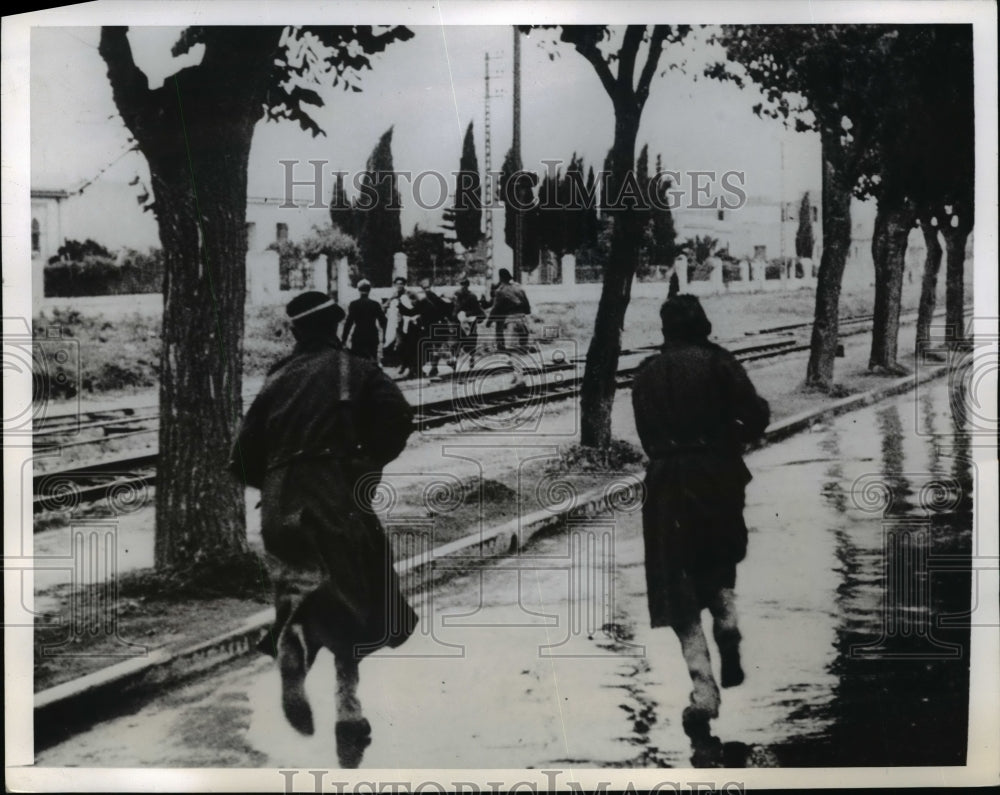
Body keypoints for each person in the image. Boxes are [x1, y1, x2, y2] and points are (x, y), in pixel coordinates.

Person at [230, 291, 418, 768]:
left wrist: (275, 483)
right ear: (337, 326)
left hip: (278, 504)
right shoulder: (354, 368)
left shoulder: (277, 377)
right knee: (360, 592)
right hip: (333, 496)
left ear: (295, 333)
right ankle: (348, 706)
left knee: (301, 587)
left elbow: (242, 456)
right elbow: (399, 417)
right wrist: (364, 463)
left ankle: (292, 641)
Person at [630, 294, 769, 746]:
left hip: (667, 481)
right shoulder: (719, 362)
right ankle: (727, 622)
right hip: (716, 474)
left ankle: (703, 690)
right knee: (718, 564)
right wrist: (728, 442)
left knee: (677, 586)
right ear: (703, 324)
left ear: (665, 330)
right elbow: (755, 415)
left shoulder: (647, 373)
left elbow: (647, 434)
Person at [342, 279, 387, 362]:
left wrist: (344, 339)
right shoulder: (375, 304)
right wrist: (384, 337)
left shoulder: (354, 304)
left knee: (357, 361)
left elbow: (349, 322)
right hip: (372, 334)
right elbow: (383, 321)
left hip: (358, 335)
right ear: (369, 290)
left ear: (358, 290)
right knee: (372, 360)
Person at [451, 275, 485, 367]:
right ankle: (454, 360)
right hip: (459, 323)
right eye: (461, 285)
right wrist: (454, 316)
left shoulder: (472, 297)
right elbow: (454, 309)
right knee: (456, 342)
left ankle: (471, 358)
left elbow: (479, 312)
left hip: (470, 323)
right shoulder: (457, 296)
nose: (463, 287)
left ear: (467, 286)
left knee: (470, 342)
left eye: (464, 285)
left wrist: (467, 314)